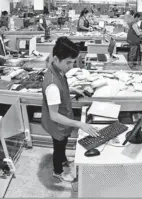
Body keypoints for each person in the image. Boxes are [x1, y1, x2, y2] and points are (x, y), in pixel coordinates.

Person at [42, 37, 99, 182]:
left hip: (63, 122)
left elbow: (62, 84)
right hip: (58, 125)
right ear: (55, 58)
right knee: (59, 147)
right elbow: (54, 115)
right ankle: (58, 171)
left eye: (73, 62)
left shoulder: (57, 70)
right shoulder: (52, 85)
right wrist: (80, 124)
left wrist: (73, 89)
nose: (71, 66)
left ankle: (62, 160)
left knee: (62, 144)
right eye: (68, 62)